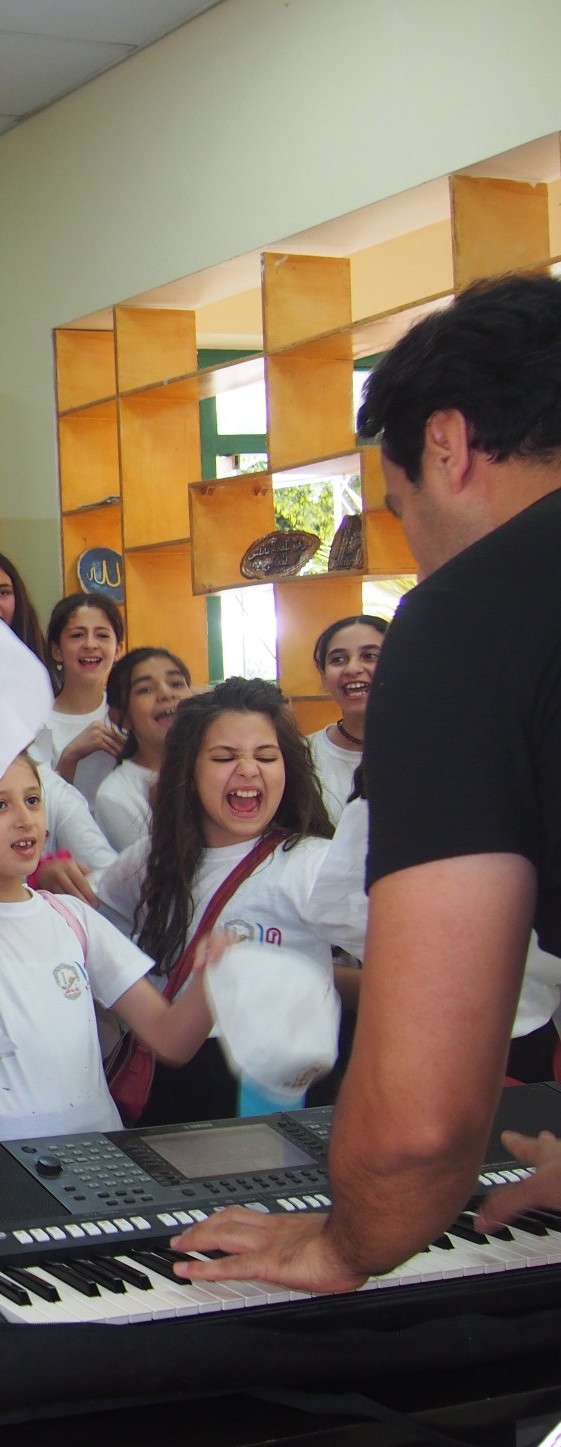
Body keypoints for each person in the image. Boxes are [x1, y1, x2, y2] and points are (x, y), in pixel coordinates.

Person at [165, 274, 561, 1297]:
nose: (415, 544)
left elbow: (424, 1101)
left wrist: (342, 1243)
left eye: (399, 508)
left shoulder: (470, 618)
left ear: (447, 444)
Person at [0, 746, 223, 1147]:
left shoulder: (73, 917)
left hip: (98, 1149)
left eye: (33, 800)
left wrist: (213, 978)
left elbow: (170, 1039)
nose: (24, 819)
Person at [94, 678, 339, 1125]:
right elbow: (100, 932)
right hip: (178, 1086)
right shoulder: (149, 861)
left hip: (277, 1090)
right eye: (225, 757)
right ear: (187, 772)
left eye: (266, 756)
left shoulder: (312, 862)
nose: (248, 770)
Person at [92, 646, 192, 852]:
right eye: (145, 689)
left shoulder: (216, 768)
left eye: (176, 684)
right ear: (120, 717)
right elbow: (157, 868)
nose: (166, 694)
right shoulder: (116, 795)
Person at [33, 592, 126, 804]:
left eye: (102, 635)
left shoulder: (129, 715)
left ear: (118, 649)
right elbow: (42, 803)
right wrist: (71, 755)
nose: (90, 644)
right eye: (77, 635)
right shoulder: (40, 724)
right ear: (57, 651)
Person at [304, 613, 385, 826]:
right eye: (338, 659)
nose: (352, 669)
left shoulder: (429, 751)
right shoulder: (302, 757)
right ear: (323, 676)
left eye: (369, 656)